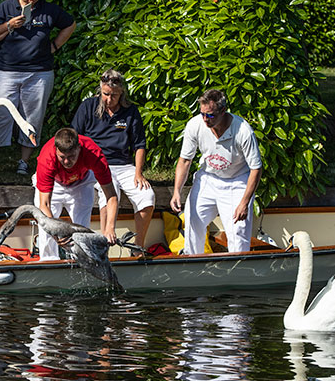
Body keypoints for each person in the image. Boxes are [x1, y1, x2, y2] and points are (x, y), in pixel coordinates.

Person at [0, 0, 76, 176]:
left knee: (33, 117)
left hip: (39, 72)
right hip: (7, 71)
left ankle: (23, 162)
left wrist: (55, 46)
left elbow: (70, 24)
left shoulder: (48, 10)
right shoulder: (6, 7)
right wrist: (8, 25)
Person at [169, 89, 263, 254]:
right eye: (203, 114)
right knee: (192, 220)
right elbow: (185, 160)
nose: (206, 119)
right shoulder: (195, 124)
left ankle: (238, 269)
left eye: (210, 115)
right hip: (208, 178)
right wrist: (177, 191)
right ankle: (193, 262)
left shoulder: (243, 131)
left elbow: (256, 168)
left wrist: (244, 203)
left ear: (223, 111)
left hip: (237, 180)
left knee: (238, 230)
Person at [71, 69, 155, 248]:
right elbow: (74, 138)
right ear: (100, 90)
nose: (109, 99)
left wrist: (138, 173)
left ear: (121, 93)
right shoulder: (88, 106)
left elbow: (139, 145)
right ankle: (104, 245)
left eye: (114, 95)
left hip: (124, 165)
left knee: (147, 196)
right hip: (95, 163)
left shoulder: (130, 111)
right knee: (109, 192)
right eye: (105, 94)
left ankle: (137, 247)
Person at [34, 127, 118, 260]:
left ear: (79, 147)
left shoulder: (94, 154)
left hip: (82, 182)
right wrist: (56, 234)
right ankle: (49, 260)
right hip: (55, 185)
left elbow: (111, 196)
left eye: (71, 156)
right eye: (62, 157)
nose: (67, 162)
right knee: (46, 228)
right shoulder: (47, 159)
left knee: (81, 230)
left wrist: (110, 227)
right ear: (56, 149)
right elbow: (44, 204)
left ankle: (82, 260)